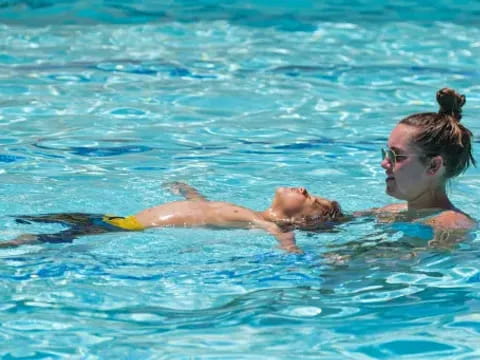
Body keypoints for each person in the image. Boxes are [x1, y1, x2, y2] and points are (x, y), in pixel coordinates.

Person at [0, 182, 344, 253]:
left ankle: (10, 244)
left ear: (303, 219)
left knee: (45, 238)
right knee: (37, 218)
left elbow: (285, 242)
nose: (303, 189)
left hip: (124, 228)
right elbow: (206, 207)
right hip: (116, 218)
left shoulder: (267, 223)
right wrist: (189, 193)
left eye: (311, 197)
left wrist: (294, 256)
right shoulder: (250, 212)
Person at [368, 87, 476, 246]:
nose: (384, 163)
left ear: (434, 166)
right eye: (386, 153)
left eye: (395, 156)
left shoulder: (451, 226)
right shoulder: (392, 212)